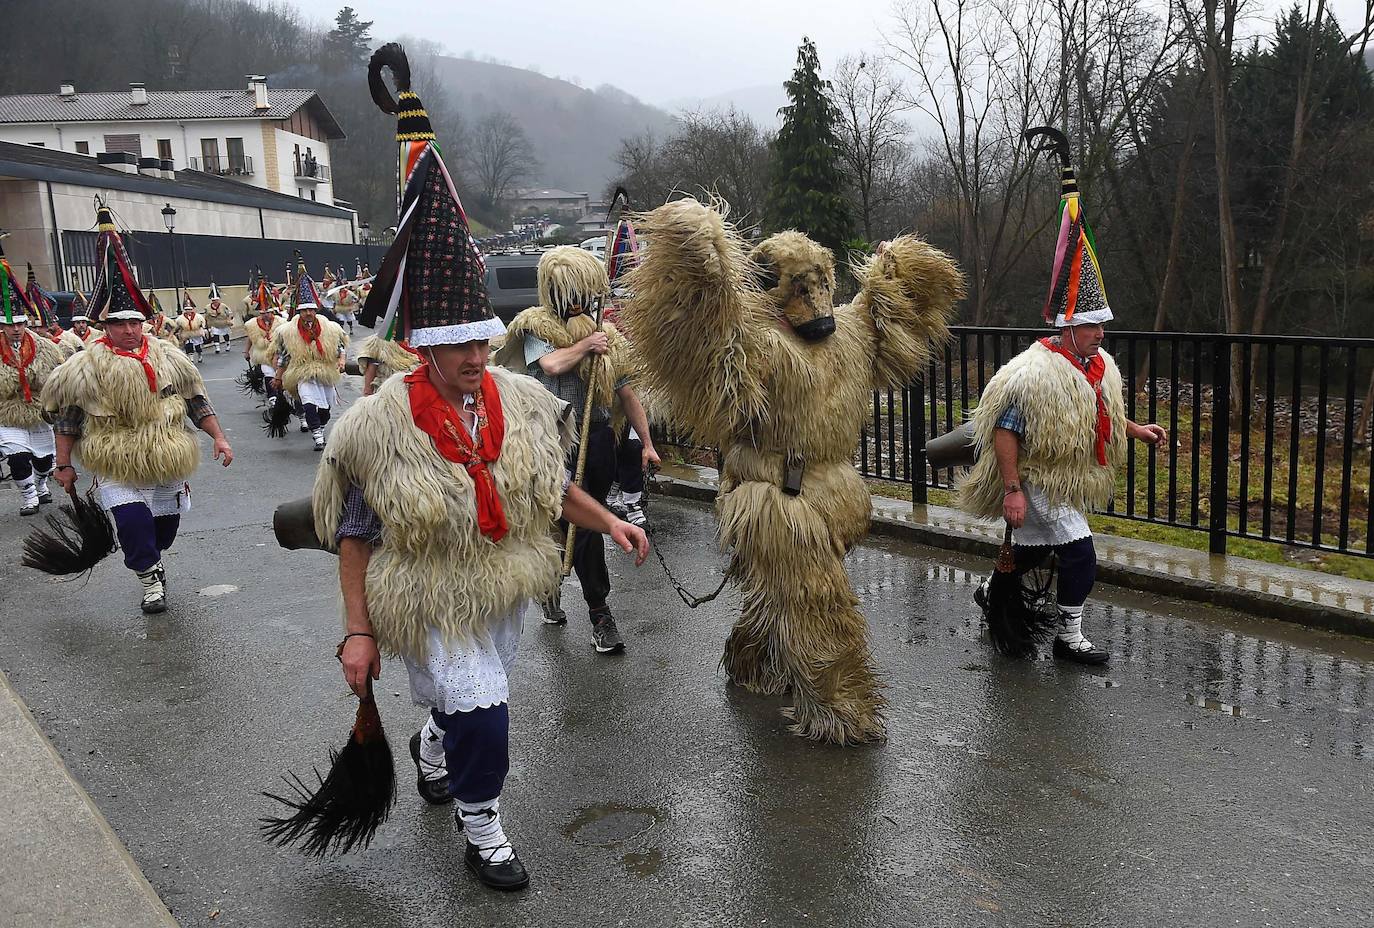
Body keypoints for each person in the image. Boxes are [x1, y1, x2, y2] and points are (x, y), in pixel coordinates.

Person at [324, 44, 649, 891]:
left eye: (480, 338)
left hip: (498, 578)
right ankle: (484, 827)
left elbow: (549, 488)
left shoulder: (516, 399)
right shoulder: (382, 427)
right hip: (428, 586)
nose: (474, 354)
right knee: (486, 713)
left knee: (462, 697)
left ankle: (433, 739)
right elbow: (355, 536)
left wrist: (609, 519)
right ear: (425, 348)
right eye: (456, 343)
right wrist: (359, 630)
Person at [960, 127, 1166, 665]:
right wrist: (1012, 490)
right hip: (1039, 480)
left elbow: (1097, 415)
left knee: (1032, 551)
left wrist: (1135, 430)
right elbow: (1006, 428)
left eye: (1102, 327)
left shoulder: (1095, 366)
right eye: (1094, 326)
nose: (1102, 335)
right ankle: (1069, 635)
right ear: (1070, 326)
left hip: (1064, 479)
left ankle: (993, 589)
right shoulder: (1034, 374)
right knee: (1081, 556)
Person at [43, 202, 233, 614]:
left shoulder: (170, 357)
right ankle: (149, 580)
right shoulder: (84, 368)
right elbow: (68, 418)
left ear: (144, 322)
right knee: (132, 526)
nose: (128, 330)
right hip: (114, 459)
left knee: (162, 531)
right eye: (118, 323)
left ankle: (154, 559)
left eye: (134, 322)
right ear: (105, 326)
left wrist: (218, 437)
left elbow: (196, 400)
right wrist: (64, 464)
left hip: (166, 456)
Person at [492, 246, 660, 653]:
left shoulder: (608, 336)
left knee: (586, 523)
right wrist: (586, 347)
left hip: (598, 438)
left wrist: (647, 443)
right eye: (572, 293)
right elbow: (550, 366)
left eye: (585, 293)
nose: (580, 302)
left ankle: (583, 601)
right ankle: (575, 598)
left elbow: (626, 392)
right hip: (553, 440)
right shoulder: (537, 327)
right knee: (563, 523)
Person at [1, 250, 64, 515]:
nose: (16, 329)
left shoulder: (46, 348)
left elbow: (59, 378)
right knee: (17, 456)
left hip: (39, 411)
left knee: (43, 459)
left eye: (20, 323)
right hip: (8, 414)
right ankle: (28, 497)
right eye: (9, 325)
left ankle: (40, 485)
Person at [271, 259, 347, 450]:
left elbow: (340, 347)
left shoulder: (330, 328)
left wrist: (341, 360)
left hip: (325, 372)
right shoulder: (288, 331)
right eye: (304, 310)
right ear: (299, 311)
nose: (308, 314)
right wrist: (278, 377)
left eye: (311, 310)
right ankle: (318, 436)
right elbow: (284, 355)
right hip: (302, 372)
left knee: (325, 410)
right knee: (309, 404)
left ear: (315, 310)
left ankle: (320, 426)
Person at [357, 330, 421, 396]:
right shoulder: (380, 341)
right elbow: (372, 364)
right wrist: (368, 390)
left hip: (416, 387)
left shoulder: (419, 337)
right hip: (388, 389)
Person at [174, 293, 207, 363]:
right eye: (187, 310)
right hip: (187, 333)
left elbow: (202, 323)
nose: (188, 311)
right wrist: (176, 331)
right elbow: (177, 325)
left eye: (189, 309)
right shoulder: (180, 318)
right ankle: (191, 357)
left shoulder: (198, 316)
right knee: (189, 345)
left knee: (197, 345)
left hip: (196, 332)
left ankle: (199, 355)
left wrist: (203, 327)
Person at [204, 281, 234, 355]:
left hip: (223, 323)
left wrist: (229, 320)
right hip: (214, 323)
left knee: (225, 334)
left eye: (216, 300)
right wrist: (206, 324)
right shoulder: (207, 307)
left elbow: (229, 313)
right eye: (213, 301)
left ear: (218, 300)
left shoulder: (223, 306)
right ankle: (217, 347)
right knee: (215, 334)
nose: (215, 302)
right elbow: (206, 316)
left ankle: (228, 344)